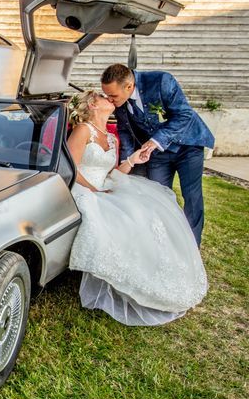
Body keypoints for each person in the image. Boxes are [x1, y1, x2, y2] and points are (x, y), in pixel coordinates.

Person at [67, 90, 207, 326]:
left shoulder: (110, 137)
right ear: (92, 104)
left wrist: (132, 161)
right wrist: (95, 190)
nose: (108, 98)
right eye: (103, 96)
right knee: (125, 216)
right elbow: (70, 167)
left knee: (148, 211)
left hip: (105, 186)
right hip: (83, 188)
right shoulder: (83, 130)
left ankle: (155, 275)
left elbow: (111, 172)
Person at [100, 64, 215, 246]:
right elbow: (125, 131)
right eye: (107, 95)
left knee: (192, 198)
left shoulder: (161, 81)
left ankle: (193, 247)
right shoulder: (120, 103)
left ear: (129, 86)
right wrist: (127, 162)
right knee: (156, 196)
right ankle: (163, 244)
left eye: (113, 95)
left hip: (188, 147)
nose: (110, 100)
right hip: (156, 155)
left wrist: (156, 140)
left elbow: (184, 115)